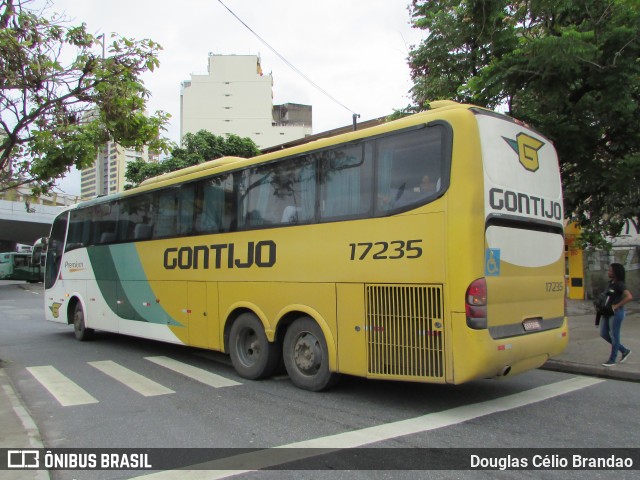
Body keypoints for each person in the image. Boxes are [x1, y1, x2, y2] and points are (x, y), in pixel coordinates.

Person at [600, 263, 633, 367]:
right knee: (604, 334)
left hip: (616, 313)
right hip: (606, 312)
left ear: (615, 272)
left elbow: (629, 297)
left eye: (610, 271)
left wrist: (617, 305)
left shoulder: (619, 284)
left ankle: (612, 359)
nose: (608, 272)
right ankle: (624, 351)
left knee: (615, 336)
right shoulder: (611, 283)